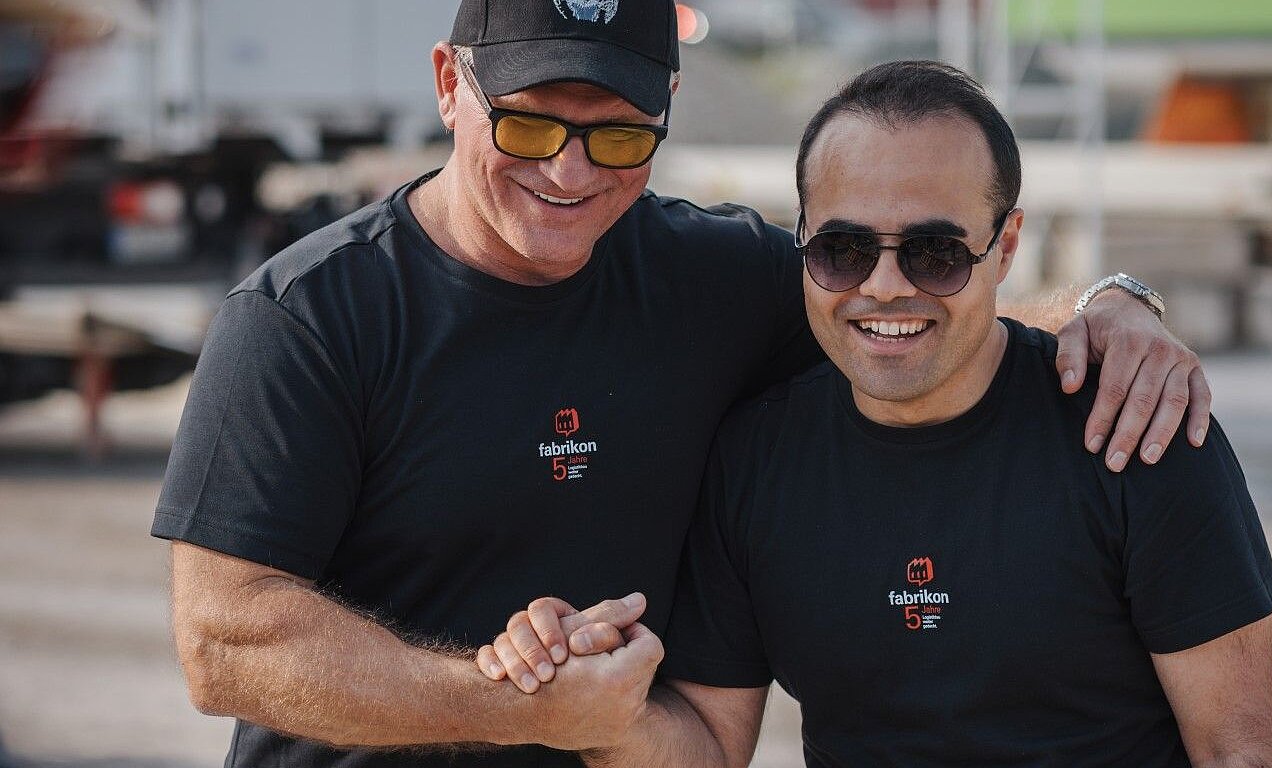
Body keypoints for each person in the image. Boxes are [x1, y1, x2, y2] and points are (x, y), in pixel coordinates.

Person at [154, 3, 1212, 767]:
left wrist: (1103, 308)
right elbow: (225, 641)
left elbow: (909, 312)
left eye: (616, 135)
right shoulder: (307, 319)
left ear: (665, 113)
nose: (568, 172)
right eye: (528, 125)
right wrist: (508, 703)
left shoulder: (714, 278)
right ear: (446, 85)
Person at [491, 60, 1272, 767]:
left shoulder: (1136, 429)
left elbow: (1239, 750)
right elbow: (706, 742)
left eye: (936, 254)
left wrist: (1119, 300)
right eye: (842, 250)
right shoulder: (754, 461)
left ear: (1005, 248)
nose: (883, 287)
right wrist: (592, 708)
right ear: (802, 243)